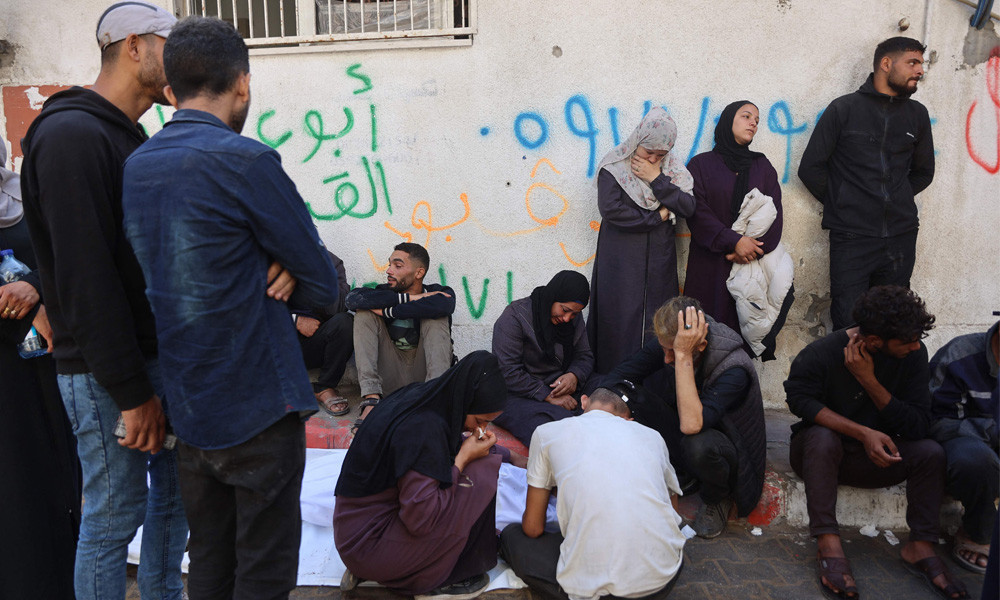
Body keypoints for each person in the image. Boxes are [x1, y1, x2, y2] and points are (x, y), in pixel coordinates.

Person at [121, 16, 340, 599]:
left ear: (171, 91)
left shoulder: (138, 166)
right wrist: (285, 264)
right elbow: (324, 286)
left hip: (190, 404)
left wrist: (276, 262)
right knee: (263, 572)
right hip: (257, 404)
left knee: (211, 564)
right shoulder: (247, 161)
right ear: (242, 83)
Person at [18, 3, 189, 598]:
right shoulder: (72, 135)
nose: (185, 61)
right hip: (105, 373)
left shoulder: (124, 134)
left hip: (154, 359)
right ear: (134, 46)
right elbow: (85, 279)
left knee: (176, 500)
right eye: (172, 46)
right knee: (115, 516)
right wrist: (133, 394)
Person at [784, 285, 968, 599]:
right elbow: (800, 401)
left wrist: (868, 380)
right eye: (907, 341)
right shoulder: (821, 353)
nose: (915, 346)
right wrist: (863, 433)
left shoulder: (914, 355)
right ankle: (828, 543)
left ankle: (921, 546)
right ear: (873, 341)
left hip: (879, 460)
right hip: (821, 459)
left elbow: (918, 425)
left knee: (930, 452)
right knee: (821, 437)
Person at [334, 351, 506, 599]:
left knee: (482, 460)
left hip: (353, 531)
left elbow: (449, 448)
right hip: (367, 546)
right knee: (481, 472)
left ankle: (392, 566)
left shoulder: (427, 398)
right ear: (466, 400)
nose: (481, 429)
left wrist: (513, 457)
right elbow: (421, 519)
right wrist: (462, 459)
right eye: (480, 420)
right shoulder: (425, 429)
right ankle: (434, 577)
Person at [499, 384, 686, 600]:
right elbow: (673, 512)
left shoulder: (546, 432)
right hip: (664, 578)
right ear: (628, 420)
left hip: (600, 593)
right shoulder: (653, 436)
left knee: (512, 536)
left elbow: (533, 528)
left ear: (584, 401)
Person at [798, 37, 934, 330]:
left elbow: (924, 172)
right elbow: (810, 168)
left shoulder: (917, 115)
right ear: (886, 64)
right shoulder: (843, 109)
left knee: (894, 325)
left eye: (921, 64)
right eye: (912, 62)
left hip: (901, 237)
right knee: (849, 325)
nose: (920, 70)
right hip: (852, 237)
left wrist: (895, 198)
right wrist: (847, 202)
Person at [607, 296, 765, 539]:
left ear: (699, 345)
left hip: (726, 450)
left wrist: (682, 355)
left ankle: (717, 498)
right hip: (684, 430)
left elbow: (692, 425)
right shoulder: (671, 341)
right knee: (628, 393)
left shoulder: (734, 367)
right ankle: (682, 472)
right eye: (665, 350)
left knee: (697, 444)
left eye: (673, 351)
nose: (666, 359)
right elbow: (619, 376)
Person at [0, 140, 80, 600]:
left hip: (49, 361)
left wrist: (36, 289)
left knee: (61, 477)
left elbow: (67, 255)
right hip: (6, 378)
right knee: (16, 483)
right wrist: (24, 311)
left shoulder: (26, 193)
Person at [587, 107, 697, 374]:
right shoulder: (614, 168)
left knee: (658, 320)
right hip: (621, 259)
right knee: (619, 319)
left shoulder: (670, 170)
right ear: (638, 140)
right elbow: (611, 210)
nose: (653, 159)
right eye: (649, 152)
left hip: (659, 260)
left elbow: (688, 206)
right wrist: (657, 217)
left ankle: (653, 383)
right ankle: (612, 381)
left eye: (661, 154)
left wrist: (656, 179)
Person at [685, 100, 792, 360]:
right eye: (746, 116)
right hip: (709, 265)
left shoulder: (762, 166)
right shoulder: (700, 165)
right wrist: (734, 241)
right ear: (728, 120)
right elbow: (697, 212)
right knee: (703, 336)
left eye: (757, 119)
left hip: (749, 265)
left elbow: (775, 213)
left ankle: (738, 383)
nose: (753, 122)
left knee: (743, 335)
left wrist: (752, 249)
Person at [345, 241, 455, 430]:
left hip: (425, 379)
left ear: (419, 273)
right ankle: (371, 400)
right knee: (364, 312)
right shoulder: (384, 292)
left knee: (436, 317)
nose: (389, 271)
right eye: (389, 264)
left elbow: (444, 305)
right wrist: (410, 298)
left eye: (397, 266)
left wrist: (389, 311)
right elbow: (352, 299)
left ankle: (434, 401)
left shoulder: (438, 293)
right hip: (389, 377)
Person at [492, 270, 594, 446]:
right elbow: (507, 371)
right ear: (553, 297)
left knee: (610, 389)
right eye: (565, 310)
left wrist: (574, 375)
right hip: (523, 394)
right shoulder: (515, 316)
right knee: (554, 424)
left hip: (564, 389)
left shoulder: (573, 320)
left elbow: (584, 355)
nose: (567, 318)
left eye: (574, 314)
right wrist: (546, 395)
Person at [928, 321, 998, 575]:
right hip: (965, 443)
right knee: (977, 461)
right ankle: (977, 532)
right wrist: (990, 430)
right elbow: (938, 421)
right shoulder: (960, 354)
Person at [293, 249, 353, 416]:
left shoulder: (332, 263)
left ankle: (324, 387)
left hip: (311, 345)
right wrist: (295, 320)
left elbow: (339, 307)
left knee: (345, 322)